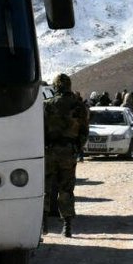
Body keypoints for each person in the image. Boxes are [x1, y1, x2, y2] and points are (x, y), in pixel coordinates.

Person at [43, 73, 90, 238]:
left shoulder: (47, 105)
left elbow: (40, 131)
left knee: (45, 187)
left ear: (56, 87)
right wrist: (77, 148)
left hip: (49, 150)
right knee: (66, 188)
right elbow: (84, 131)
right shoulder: (79, 106)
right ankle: (67, 226)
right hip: (68, 151)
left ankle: (43, 224)